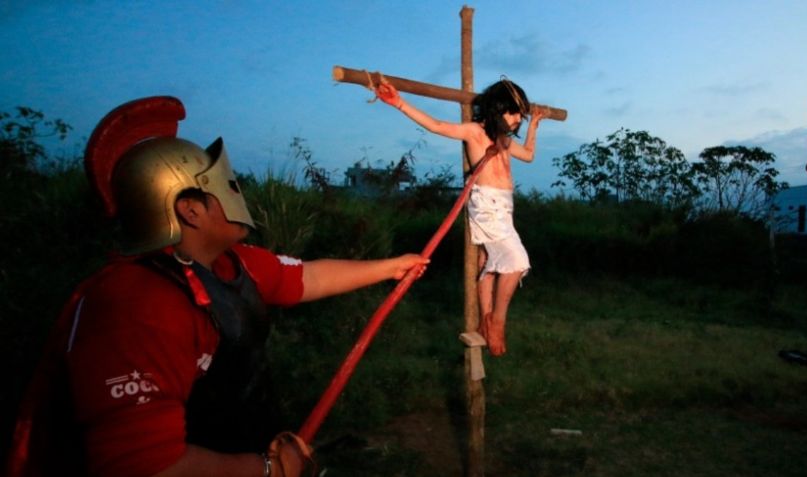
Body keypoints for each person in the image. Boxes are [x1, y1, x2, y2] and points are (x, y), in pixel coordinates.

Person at [6, 97, 428, 477]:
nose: (236, 192)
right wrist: (269, 469)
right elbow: (146, 466)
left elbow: (306, 277)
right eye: (223, 187)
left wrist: (391, 267)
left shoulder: (232, 262)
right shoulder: (135, 305)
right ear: (190, 210)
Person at [374, 77, 549, 356]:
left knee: (488, 263)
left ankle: (484, 321)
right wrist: (399, 103)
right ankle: (497, 322)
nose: (519, 119)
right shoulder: (475, 131)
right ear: (496, 108)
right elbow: (436, 126)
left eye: (522, 115)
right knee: (516, 261)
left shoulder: (503, 140)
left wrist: (535, 127)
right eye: (514, 112)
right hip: (486, 203)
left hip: (504, 207)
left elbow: (528, 155)